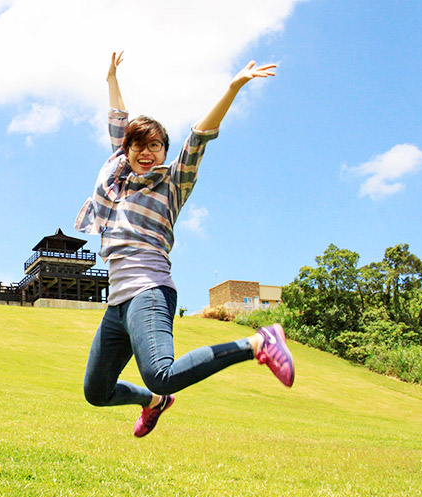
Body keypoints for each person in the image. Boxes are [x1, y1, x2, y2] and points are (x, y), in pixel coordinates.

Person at [75, 51, 293, 437]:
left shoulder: (174, 183)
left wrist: (232, 87)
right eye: (138, 145)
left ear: (164, 152)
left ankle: (258, 342)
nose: (146, 152)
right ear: (127, 150)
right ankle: (155, 403)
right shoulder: (116, 180)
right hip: (117, 302)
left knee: (161, 373)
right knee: (96, 392)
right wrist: (111, 77)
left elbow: (198, 138)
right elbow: (117, 120)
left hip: (149, 290)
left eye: (155, 146)